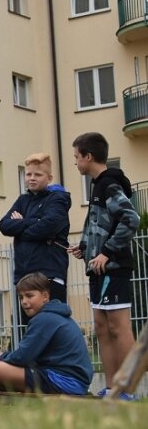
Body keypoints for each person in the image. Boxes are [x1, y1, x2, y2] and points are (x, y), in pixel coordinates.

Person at [68, 132, 140, 400]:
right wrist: (86, 249)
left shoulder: (109, 184)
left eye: (76, 157)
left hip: (115, 268)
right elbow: (100, 224)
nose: (75, 162)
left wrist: (107, 253)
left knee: (119, 327)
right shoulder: (97, 185)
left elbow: (130, 219)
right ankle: (111, 388)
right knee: (101, 326)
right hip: (98, 270)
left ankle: (128, 389)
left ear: (88, 156)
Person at [0, 273, 93, 395]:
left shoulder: (44, 319)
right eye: (21, 297)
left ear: (45, 296)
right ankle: (21, 398)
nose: (24, 302)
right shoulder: (55, 316)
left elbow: (22, 357)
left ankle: (17, 399)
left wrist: (3, 357)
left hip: (64, 382)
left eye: (29, 296)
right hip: (75, 382)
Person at [0, 153, 71, 330]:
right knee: (25, 329)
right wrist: (34, 221)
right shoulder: (23, 200)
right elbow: (4, 225)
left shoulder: (57, 199)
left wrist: (21, 223)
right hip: (23, 276)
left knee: (51, 328)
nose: (31, 178)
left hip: (49, 275)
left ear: (49, 178)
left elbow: (48, 226)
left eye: (37, 175)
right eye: (28, 174)